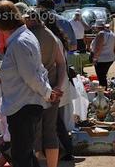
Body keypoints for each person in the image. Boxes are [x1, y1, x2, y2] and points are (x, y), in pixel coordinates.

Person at [0, 1, 62, 167]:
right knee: (25, 155)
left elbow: (32, 77)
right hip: (24, 106)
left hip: (23, 107)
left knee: (21, 158)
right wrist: (48, 92)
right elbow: (38, 72)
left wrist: (48, 93)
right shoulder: (24, 38)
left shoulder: (20, 42)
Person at [24, 8, 66, 167]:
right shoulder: (52, 36)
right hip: (52, 88)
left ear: (30, 19)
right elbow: (61, 64)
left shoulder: (28, 37)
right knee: (50, 130)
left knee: (34, 132)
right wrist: (58, 87)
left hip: (34, 89)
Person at [41, 10, 77, 161]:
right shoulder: (55, 37)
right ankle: (65, 149)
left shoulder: (50, 38)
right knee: (56, 120)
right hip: (59, 82)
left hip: (56, 83)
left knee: (55, 121)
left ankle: (66, 150)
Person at [91, 20, 115, 90]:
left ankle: (103, 94)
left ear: (97, 27)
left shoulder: (101, 34)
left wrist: (95, 58)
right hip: (110, 58)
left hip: (101, 59)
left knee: (101, 77)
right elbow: (114, 48)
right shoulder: (112, 34)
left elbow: (98, 48)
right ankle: (104, 92)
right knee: (103, 76)